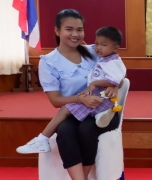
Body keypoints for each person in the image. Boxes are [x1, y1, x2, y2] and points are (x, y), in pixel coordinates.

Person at [33, 9, 122, 180]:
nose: (75, 34)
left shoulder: (94, 50)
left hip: (104, 112)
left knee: (87, 130)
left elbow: (117, 69)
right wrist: (81, 99)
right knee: (64, 131)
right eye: (69, 29)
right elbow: (55, 101)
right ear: (57, 31)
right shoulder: (48, 62)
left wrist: (114, 85)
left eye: (79, 29)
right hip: (74, 111)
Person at [17, 26, 126, 155]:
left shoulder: (107, 59)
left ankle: (42, 139)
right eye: (96, 43)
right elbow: (117, 76)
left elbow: (117, 78)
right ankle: (100, 115)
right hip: (94, 96)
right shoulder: (102, 56)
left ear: (115, 48)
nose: (98, 47)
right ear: (57, 31)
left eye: (103, 45)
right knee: (66, 128)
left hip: (97, 96)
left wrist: (103, 84)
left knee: (67, 111)